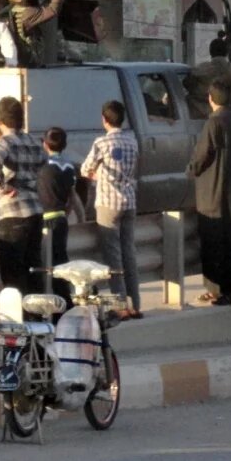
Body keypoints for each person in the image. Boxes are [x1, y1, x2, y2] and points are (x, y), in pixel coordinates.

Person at [188, 81, 231, 308]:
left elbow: (202, 156)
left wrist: (191, 170)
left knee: (216, 242)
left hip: (215, 193)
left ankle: (220, 290)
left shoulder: (213, 122)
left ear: (211, 98)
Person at [82, 100, 142, 319]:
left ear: (104, 119)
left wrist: (98, 175)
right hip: (129, 201)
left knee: (113, 256)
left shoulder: (101, 143)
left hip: (108, 203)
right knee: (129, 253)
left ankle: (120, 304)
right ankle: (135, 304)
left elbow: (85, 169)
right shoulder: (132, 142)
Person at [0, 97, 47, 295]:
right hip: (35, 211)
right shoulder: (34, 142)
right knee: (33, 268)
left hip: (13, 212)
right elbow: (44, 166)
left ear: (0, 121)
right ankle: (36, 311)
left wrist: (3, 187)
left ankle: (17, 312)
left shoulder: (4, 143)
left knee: (12, 273)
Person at [37, 127, 86, 310]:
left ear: (45, 144)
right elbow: (73, 196)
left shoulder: (42, 166)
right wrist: (80, 216)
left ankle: (57, 305)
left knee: (47, 265)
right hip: (61, 219)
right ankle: (64, 302)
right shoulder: (69, 167)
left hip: (45, 220)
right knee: (61, 263)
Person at [4, 0, 66, 67]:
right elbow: (53, 10)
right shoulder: (29, 12)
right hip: (29, 60)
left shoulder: (4, 12)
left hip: (13, 58)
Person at [182, 33, 231, 120]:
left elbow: (186, 83)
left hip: (197, 117)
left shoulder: (199, 69)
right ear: (226, 53)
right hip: (225, 117)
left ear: (210, 52)